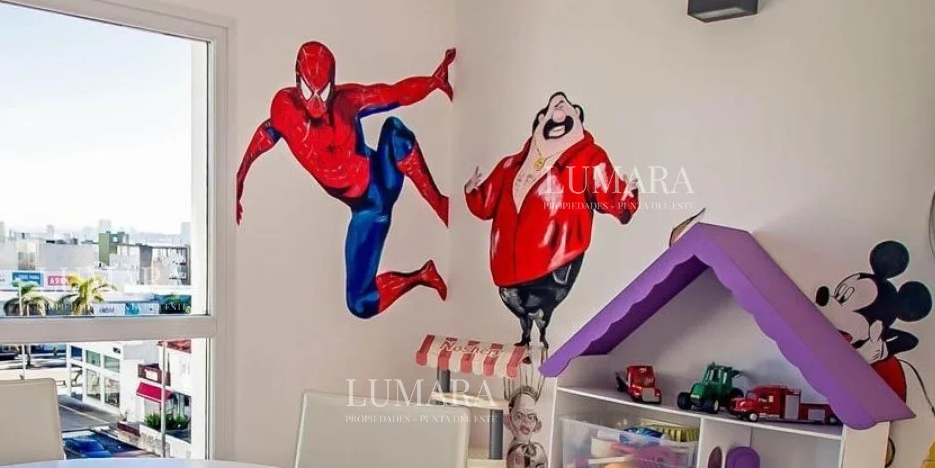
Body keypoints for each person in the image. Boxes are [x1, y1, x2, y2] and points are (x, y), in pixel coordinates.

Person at [237, 41, 454, 318]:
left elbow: (394, 93)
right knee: (359, 303)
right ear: (297, 80)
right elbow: (266, 133)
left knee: (395, 130)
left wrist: (433, 82)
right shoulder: (285, 108)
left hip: (382, 175)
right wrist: (239, 179)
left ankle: (439, 203)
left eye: (324, 91)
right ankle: (423, 275)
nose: (316, 102)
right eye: (309, 91)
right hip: (367, 208)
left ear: (333, 82)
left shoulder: (347, 101)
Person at [465, 91, 638, 347]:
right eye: (551, 113)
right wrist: (472, 191)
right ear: (539, 122)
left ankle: (541, 337)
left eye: (565, 112)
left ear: (577, 118)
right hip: (506, 271)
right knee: (519, 312)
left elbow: (610, 196)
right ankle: (527, 336)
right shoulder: (510, 165)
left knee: (542, 317)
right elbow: (485, 204)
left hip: (555, 265)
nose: (557, 118)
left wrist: (627, 196)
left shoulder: (588, 158)